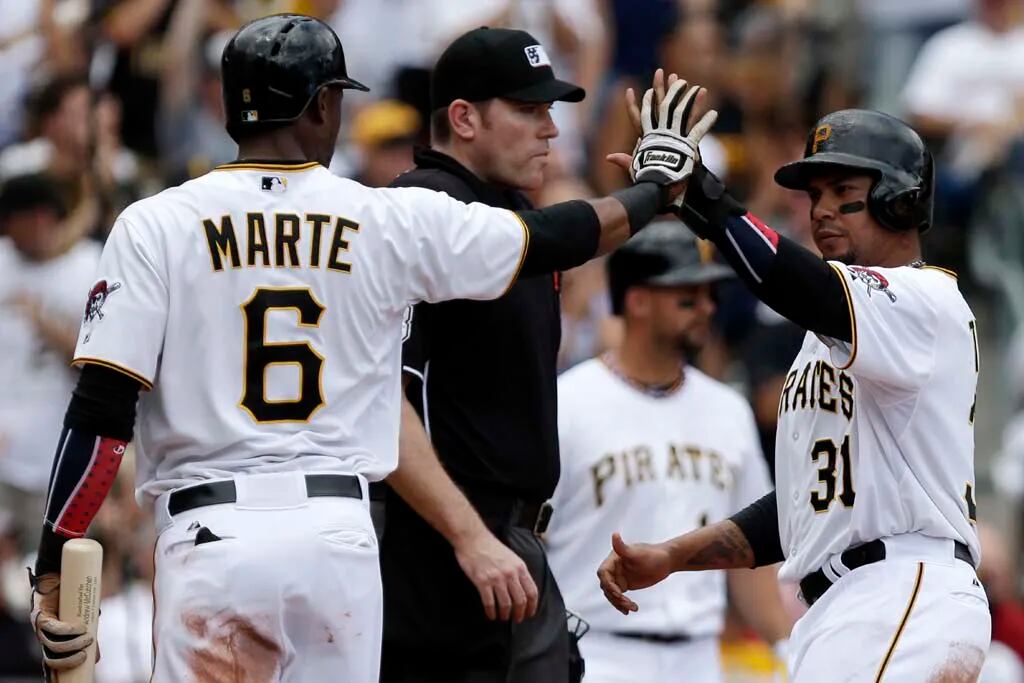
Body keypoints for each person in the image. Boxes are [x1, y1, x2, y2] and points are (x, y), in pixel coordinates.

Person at [26, 14, 714, 683]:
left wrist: (57, 554)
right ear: (323, 105)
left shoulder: (156, 223)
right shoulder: (380, 215)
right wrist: (656, 191)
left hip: (213, 533)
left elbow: (102, 411)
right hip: (339, 539)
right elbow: (554, 236)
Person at [598, 102, 991, 680]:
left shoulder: (923, 300)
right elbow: (800, 507)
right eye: (815, 195)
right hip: (843, 607)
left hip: (904, 588)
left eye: (843, 190)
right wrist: (674, 554)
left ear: (900, 198)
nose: (822, 210)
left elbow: (798, 283)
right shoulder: (830, 337)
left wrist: (702, 196)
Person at [546, 221, 792, 683]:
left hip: (700, 655)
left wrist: (784, 645)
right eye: (688, 297)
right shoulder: (569, 402)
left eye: (709, 295)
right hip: (597, 650)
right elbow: (532, 542)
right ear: (637, 301)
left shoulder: (727, 409)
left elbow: (745, 553)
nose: (707, 307)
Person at [0, 174, 101, 552]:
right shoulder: (2, 260)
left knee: (44, 580)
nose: (8, 232)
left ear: (41, 218)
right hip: (4, 455)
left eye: (13, 222)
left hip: (56, 458)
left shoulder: (89, 266)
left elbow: (100, 365)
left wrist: (43, 322)